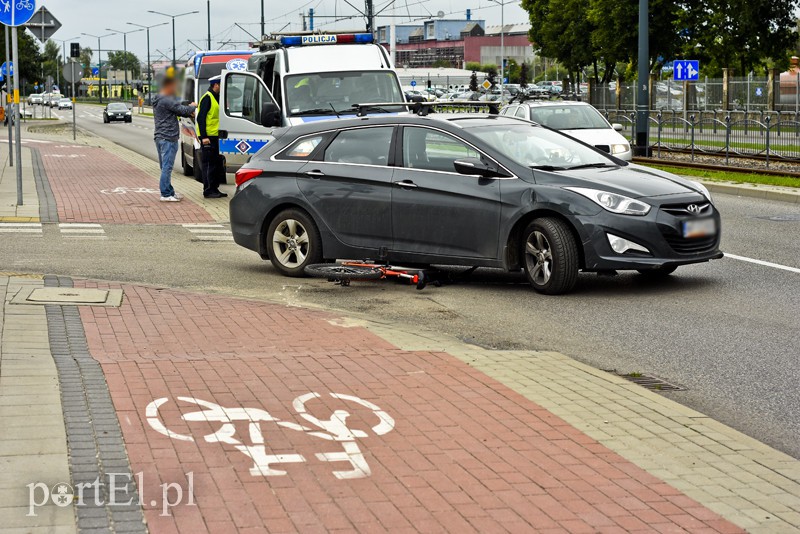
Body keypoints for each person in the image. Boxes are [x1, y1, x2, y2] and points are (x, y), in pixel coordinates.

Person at [151, 68, 196, 202]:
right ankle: (166, 194)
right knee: (167, 167)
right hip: (168, 137)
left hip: (160, 136)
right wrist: (193, 106)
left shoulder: (159, 99)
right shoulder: (167, 99)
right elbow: (181, 110)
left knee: (165, 166)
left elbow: (176, 106)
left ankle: (170, 191)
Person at [196, 75, 226, 199]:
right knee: (209, 164)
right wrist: (203, 137)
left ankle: (214, 188)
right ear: (216, 85)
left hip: (215, 136)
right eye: (220, 84)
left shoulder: (216, 98)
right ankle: (208, 190)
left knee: (216, 164)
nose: (221, 87)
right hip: (208, 137)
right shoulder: (207, 98)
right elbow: (200, 118)